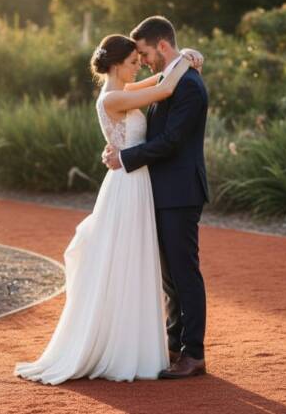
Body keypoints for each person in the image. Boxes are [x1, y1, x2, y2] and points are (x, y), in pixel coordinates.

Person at [14, 32, 203, 384]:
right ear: (117, 65)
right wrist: (186, 61)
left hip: (135, 182)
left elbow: (159, 80)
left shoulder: (122, 90)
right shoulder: (114, 96)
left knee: (137, 262)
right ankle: (121, 345)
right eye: (133, 62)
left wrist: (183, 57)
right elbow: (162, 90)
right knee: (127, 261)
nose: (138, 66)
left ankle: (145, 342)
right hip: (128, 186)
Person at [102, 16, 210, 379]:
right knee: (169, 279)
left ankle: (193, 354)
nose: (143, 60)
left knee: (184, 274)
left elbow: (171, 142)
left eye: (145, 53)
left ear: (162, 46)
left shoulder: (189, 86)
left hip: (180, 192)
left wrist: (124, 157)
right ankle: (174, 345)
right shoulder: (169, 79)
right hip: (159, 191)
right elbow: (155, 94)